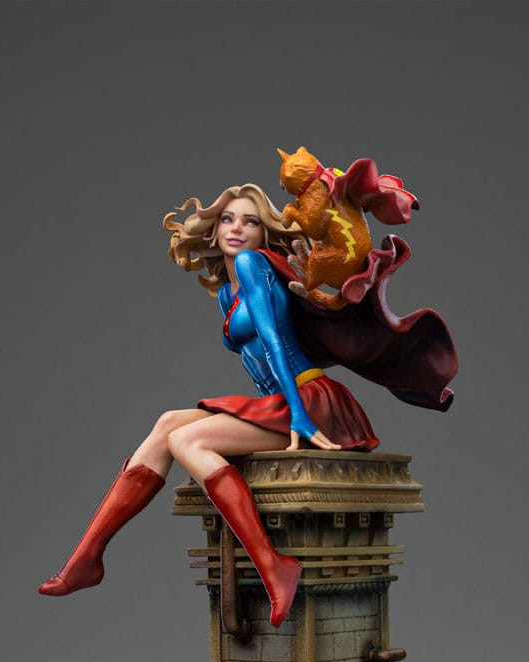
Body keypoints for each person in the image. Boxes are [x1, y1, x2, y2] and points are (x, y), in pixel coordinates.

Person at [38, 183, 379, 628]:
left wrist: (297, 412)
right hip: (280, 401)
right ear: (215, 230)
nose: (237, 229)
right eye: (227, 219)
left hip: (310, 401)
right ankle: (87, 556)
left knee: (187, 441)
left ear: (263, 234)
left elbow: (273, 341)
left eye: (250, 221)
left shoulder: (255, 266)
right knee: (168, 424)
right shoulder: (225, 293)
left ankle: (273, 565)